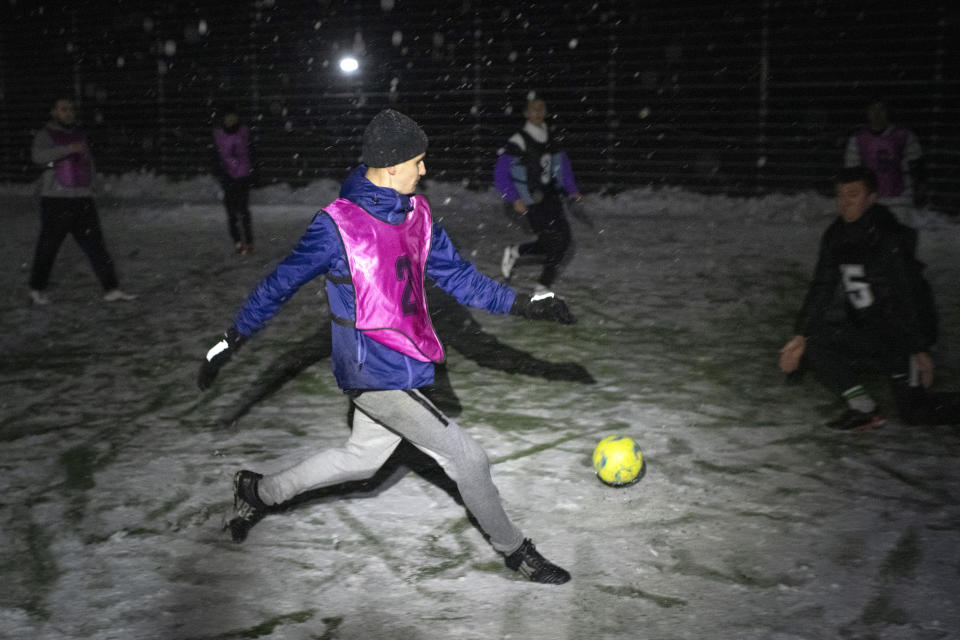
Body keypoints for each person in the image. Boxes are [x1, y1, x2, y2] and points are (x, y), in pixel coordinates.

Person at [197, 109, 577, 584]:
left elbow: (460, 279)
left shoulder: (418, 215)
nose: (424, 171)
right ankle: (516, 551)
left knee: (362, 459)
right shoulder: (338, 226)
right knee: (467, 458)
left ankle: (259, 492)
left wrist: (526, 305)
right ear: (392, 165)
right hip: (370, 372)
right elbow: (277, 285)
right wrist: (231, 339)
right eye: (418, 162)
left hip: (407, 361)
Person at [779, 166, 960, 430]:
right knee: (813, 340)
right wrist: (799, 335)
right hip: (867, 331)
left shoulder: (888, 236)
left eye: (853, 195)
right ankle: (864, 409)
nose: (844, 202)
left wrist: (919, 348)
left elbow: (911, 294)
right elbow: (822, 286)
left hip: (900, 336)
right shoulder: (836, 235)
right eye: (840, 195)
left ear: (871, 198)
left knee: (916, 414)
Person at [27, 97, 136, 305]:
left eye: (71, 109)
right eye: (63, 109)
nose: (68, 113)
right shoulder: (45, 135)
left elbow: (87, 161)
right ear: (53, 112)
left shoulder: (79, 135)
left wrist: (94, 183)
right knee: (48, 248)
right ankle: (37, 288)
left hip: (82, 200)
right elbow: (38, 157)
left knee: (96, 246)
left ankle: (111, 289)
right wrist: (68, 149)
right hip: (56, 201)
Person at [493, 97, 583, 296]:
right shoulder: (519, 141)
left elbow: (563, 167)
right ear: (526, 113)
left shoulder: (551, 138)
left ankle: (516, 253)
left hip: (551, 198)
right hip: (530, 200)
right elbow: (500, 174)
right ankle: (542, 288)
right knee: (557, 241)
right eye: (533, 109)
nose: (538, 112)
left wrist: (572, 189)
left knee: (559, 242)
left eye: (541, 108)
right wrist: (513, 197)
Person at [843, 98, 926, 224]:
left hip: (899, 201)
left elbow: (916, 166)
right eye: (873, 109)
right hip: (869, 201)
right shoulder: (857, 140)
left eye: (881, 109)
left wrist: (918, 189)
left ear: (888, 111)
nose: (877, 113)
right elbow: (851, 172)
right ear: (867, 112)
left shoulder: (904, 136)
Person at [212, 106, 255, 255]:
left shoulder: (244, 133)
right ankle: (237, 241)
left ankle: (248, 241)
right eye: (227, 118)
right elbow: (216, 156)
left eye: (233, 118)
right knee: (231, 212)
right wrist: (219, 170)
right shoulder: (218, 135)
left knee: (243, 210)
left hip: (242, 176)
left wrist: (252, 171)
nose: (230, 121)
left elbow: (252, 152)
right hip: (227, 177)